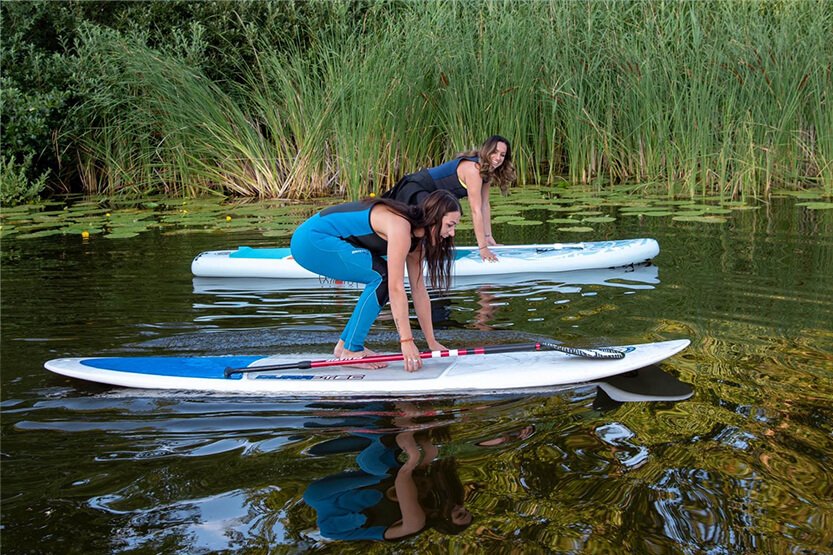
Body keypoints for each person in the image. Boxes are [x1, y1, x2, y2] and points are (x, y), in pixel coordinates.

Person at [290, 190, 461, 370]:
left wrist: (431, 341)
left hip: (323, 239)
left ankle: (344, 346)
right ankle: (352, 349)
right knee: (382, 278)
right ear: (434, 218)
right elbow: (396, 288)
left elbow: (419, 290)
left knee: (382, 278)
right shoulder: (400, 226)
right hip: (312, 240)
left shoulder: (417, 243)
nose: (452, 233)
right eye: (450, 225)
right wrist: (406, 341)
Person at [383, 135, 517, 262]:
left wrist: (488, 238)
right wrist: (483, 249)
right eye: (495, 152)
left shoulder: (486, 171)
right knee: (430, 222)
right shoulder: (474, 170)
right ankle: (408, 257)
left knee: (438, 220)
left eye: (502, 155)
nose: (498, 158)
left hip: (431, 195)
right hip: (417, 187)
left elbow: (484, 206)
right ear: (486, 150)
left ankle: (421, 255)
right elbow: (476, 210)